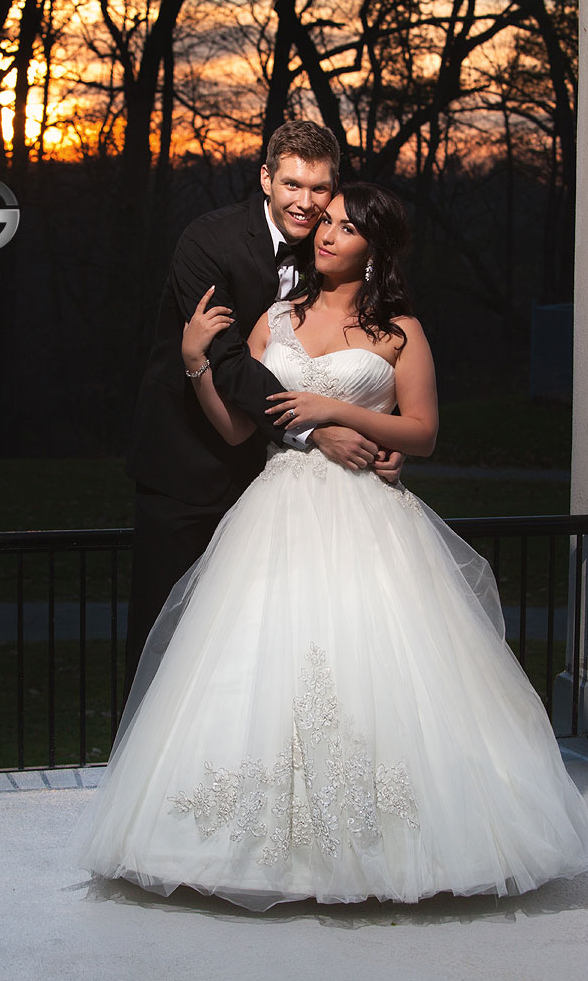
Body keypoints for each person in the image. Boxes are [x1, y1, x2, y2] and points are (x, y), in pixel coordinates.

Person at [75, 182, 588, 911]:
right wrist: (199, 361)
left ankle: (387, 846)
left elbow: (420, 431)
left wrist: (336, 411)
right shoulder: (274, 317)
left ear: (375, 247)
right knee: (259, 670)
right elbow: (235, 430)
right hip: (277, 510)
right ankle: (248, 844)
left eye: (346, 227)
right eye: (323, 222)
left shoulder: (400, 330)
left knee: (374, 668)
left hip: (368, 519)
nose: (325, 234)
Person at [122, 122, 401, 700]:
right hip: (189, 467)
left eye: (320, 188)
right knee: (164, 636)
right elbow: (227, 362)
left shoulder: (330, 250)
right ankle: (143, 779)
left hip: (274, 485)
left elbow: (366, 350)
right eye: (293, 184)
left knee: (258, 648)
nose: (306, 202)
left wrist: (380, 433)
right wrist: (315, 431)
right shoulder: (208, 241)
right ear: (266, 178)